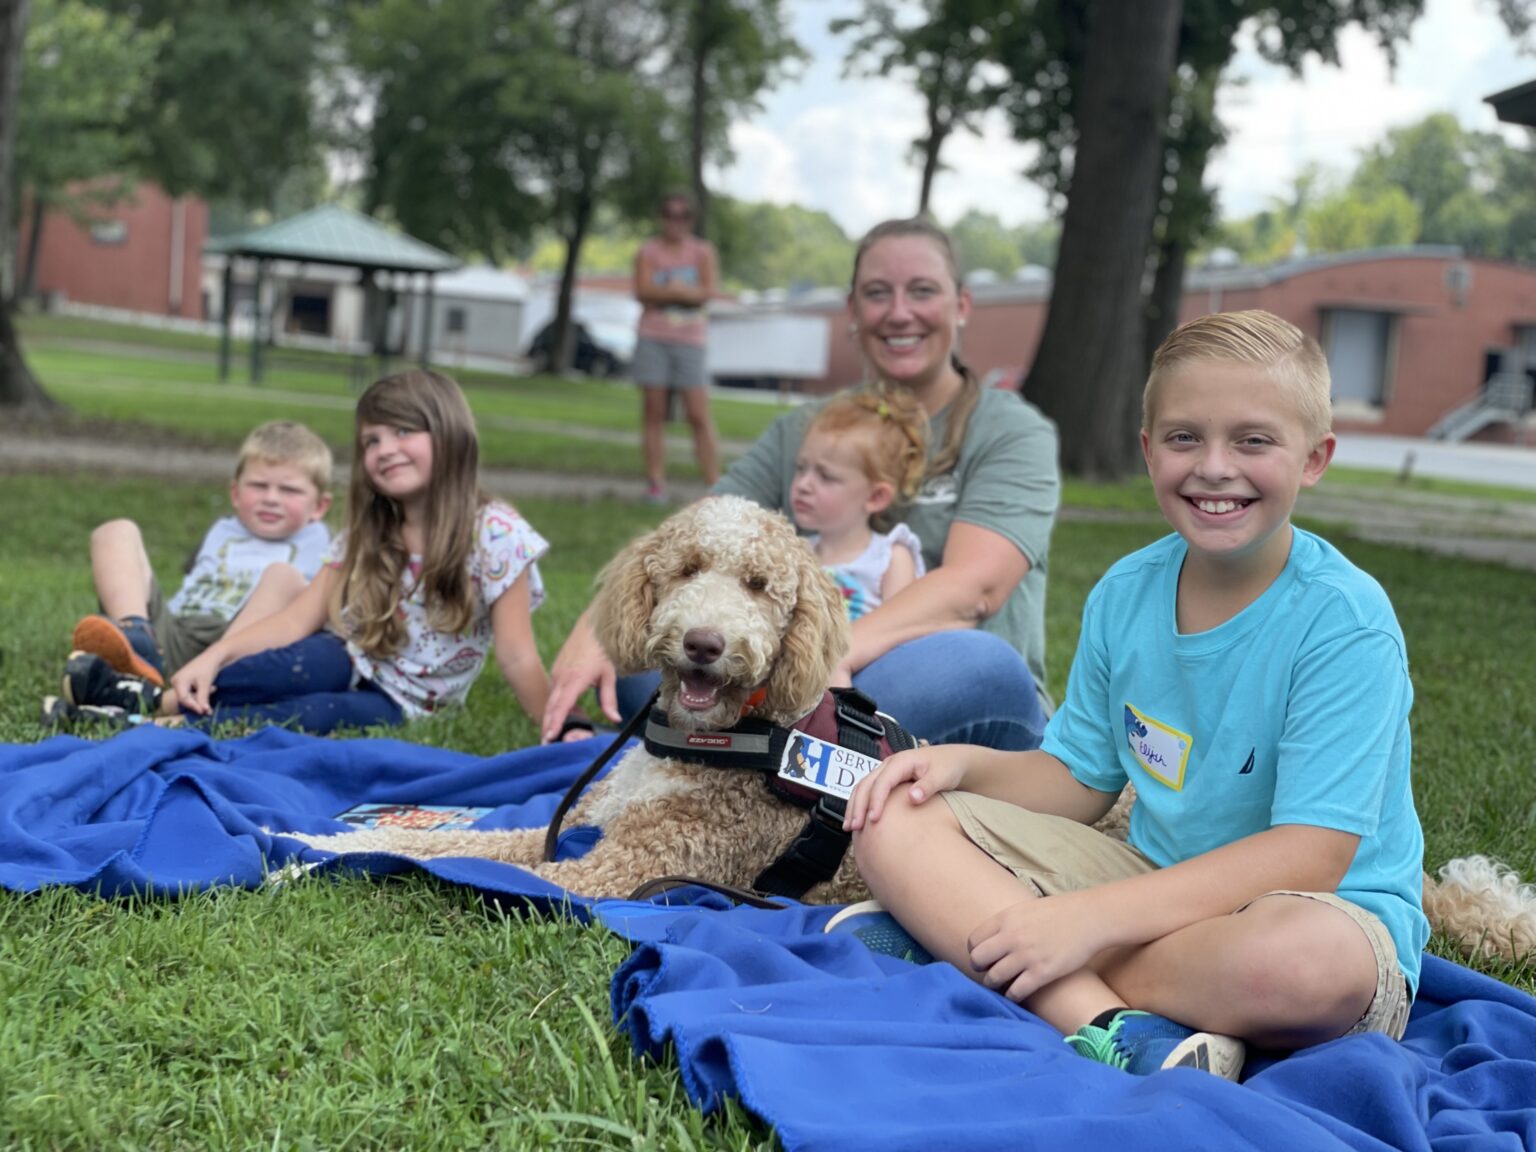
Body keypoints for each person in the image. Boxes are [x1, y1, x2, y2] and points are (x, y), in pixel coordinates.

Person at [829, 310, 1429, 1083]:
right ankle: (1110, 1025)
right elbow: (1079, 779)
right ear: (1148, 451)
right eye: (1184, 438)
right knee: (893, 821)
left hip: (1313, 913)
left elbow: (1311, 852)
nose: (1215, 467)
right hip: (1149, 881)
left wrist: (1085, 922)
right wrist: (957, 764)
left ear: (1315, 459)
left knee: (1306, 967)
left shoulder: (1345, 620)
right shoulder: (1125, 593)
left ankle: (972, 940)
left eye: (1254, 440)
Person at [543, 215, 1061, 752]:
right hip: (796, 679)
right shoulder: (808, 429)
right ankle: (788, 758)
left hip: (929, 675)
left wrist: (825, 657)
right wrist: (596, 628)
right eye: (877, 293)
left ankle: (765, 748)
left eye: (923, 291)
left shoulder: (1010, 430)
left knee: (984, 666)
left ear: (962, 306)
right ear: (853, 311)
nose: (899, 312)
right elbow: (694, 530)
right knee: (644, 665)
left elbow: (974, 590)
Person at [62, 370, 560, 737]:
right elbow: (297, 618)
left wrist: (557, 729)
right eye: (372, 440)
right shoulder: (371, 528)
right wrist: (212, 659)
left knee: (315, 715)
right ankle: (153, 700)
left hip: (403, 700)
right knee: (293, 666)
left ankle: (155, 716)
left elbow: (518, 655)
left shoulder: (496, 534)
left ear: (450, 434)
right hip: (349, 654)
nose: (385, 448)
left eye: (404, 431)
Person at [46, 420, 333, 723]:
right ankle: (138, 642)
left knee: (283, 575)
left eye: (289, 490)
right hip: (175, 633)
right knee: (115, 531)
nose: (271, 498)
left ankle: (197, 682)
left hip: (239, 642)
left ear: (319, 506)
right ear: (235, 493)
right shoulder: (225, 529)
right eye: (259, 485)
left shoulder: (323, 543)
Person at [792, 389, 929, 620]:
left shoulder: (890, 559)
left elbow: (902, 634)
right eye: (801, 468)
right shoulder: (796, 554)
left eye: (826, 476)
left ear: (875, 497)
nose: (803, 484)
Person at [633, 191, 721, 503]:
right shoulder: (648, 252)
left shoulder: (702, 252)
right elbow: (642, 291)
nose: (676, 221)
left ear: (691, 220)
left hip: (690, 339)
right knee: (654, 412)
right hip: (653, 337)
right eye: (670, 214)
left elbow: (708, 292)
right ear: (661, 218)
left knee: (698, 414)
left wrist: (668, 291)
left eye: (683, 215)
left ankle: (716, 487)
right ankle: (656, 483)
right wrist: (683, 292)